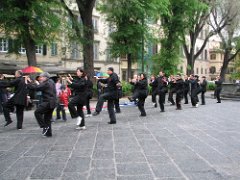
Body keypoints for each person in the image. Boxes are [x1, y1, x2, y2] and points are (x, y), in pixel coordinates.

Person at [25, 72, 56, 137]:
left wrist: (27, 83)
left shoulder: (46, 83)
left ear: (45, 77)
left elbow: (36, 88)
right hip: (52, 102)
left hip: (48, 102)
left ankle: (44, 126)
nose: (40, 78)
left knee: (37, 112)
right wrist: (35, 83)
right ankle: (48, 133)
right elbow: (40, 86)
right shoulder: (51, 81)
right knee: (47, 119)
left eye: (41, 77)